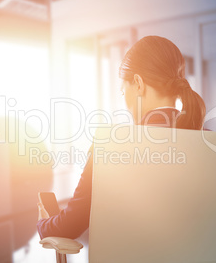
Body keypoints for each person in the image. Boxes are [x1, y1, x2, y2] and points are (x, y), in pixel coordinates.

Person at [37, 35, 206, 239]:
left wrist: (43, 224)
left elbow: (69, 227)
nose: (124, 99)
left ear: (138, 84)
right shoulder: (210, 144)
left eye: (123, 90)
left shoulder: (110, 144)